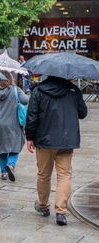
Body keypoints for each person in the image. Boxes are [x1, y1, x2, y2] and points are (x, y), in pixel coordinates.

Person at [25, 76, 87, 226]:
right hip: (66, 141)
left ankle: (43, 206)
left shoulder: (39, 91)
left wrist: (30, 137)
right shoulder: (73, 90)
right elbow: (83, 113)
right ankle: (61, 212)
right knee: (64, 175)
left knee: (44, 174)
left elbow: (32, 116)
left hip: (44, 140)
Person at [0, 71, 29, 181]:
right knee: (15, 145)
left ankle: (4, 173)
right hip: (13, 123)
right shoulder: (16, 90)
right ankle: (11, 165)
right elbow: (25, 101)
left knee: (2, 148)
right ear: (10, 79)